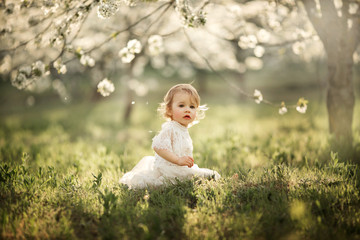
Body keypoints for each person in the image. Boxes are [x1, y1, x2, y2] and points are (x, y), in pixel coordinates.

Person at [120, 84, 221, 189]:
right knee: (201, 176)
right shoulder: (170, 129)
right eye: (181, 106)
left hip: (180, 168)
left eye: (192, 107)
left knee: (209, 174)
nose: (187, 110)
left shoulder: (182, 129)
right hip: (169, 169)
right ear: (169, 110)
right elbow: (158, 147)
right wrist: (178, 160)